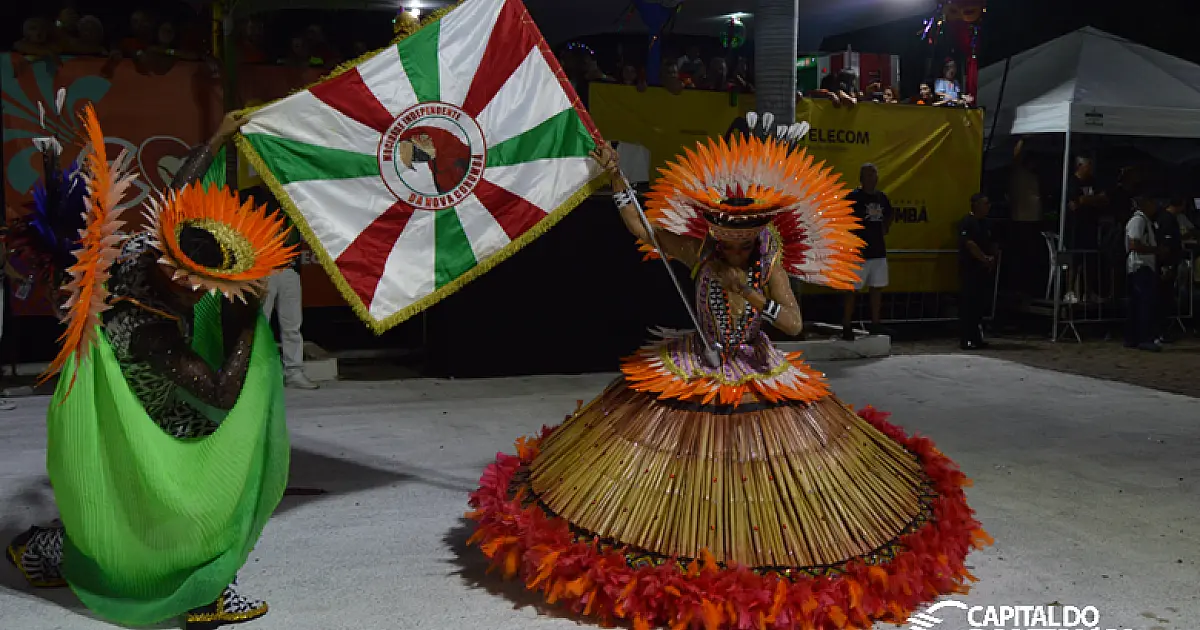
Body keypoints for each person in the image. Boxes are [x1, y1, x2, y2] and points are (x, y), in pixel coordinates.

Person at [468, 113, 989, 630]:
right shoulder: (700, 251)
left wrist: (754, 298)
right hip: (698, 359)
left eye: (743, 240)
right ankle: (677, 544)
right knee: (683, 457)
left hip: (753, 364)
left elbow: (793, 323)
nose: (735, 246)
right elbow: (644, 229)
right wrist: (617, 179)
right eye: (728, 238)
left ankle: (755, 548)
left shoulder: (771, 265)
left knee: (761, 464)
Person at [6, 108, 296, 629]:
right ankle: (206, 588)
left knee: (118, 503)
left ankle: (41, 548)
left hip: (123, 404)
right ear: (177, 272)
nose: (199, 289)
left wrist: (219, 137)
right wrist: (248, 315)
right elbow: (222, 392)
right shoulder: (151, 329)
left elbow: (182, 189)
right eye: (196, 281)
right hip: (143, 420)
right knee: (216, 477)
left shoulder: (150, 245)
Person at [248, 187, 319, 389]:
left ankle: (294, 372)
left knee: (293, 325)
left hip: (289, 271)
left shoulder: (296, 197)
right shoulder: (258, 198)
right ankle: (256, 374)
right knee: (261, 325)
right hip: (264, 271)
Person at [842, 163, 893, 339]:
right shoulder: (853, 197)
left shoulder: (882, 198)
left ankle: (875, 324)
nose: (873, 179)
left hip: (878, 250)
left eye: (875, 175)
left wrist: (884, 227)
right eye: (869, 175)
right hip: (858, 252)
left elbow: (888, 216)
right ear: (862, 178)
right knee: (852, 290)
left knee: (877, 287)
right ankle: (847, 326)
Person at [958, 194, 997, 349]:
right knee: (968, 305)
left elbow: (994, 243)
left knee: (980, 306)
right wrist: (984, 258)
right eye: (985, 203)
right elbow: (969, 244)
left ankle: (977, 337)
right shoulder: (967, 222)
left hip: (984, 270)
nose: (988, 206)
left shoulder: (988, 223)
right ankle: (965, 338)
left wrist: (993, 258)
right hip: (970, 269)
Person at [1124, 197, 1161, 352]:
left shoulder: (1145, 221)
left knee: (1138, 304)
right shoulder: (1138, 221)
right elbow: (1134, 244)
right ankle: (1144, 338)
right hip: (1140, 266)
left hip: (1143, 266)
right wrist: (1155, 250)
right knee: (1145, 303)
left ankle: (1133, 338)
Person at [1154, 198, 1186, 342]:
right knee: (1164, 299)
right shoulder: (1168, 220)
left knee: (1165, 298)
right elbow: (1166, 246)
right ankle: (1161, 332)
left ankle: (1162, 331)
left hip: (1165, 264)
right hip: (1166, 265)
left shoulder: (1164, 217)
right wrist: (1168, 266)